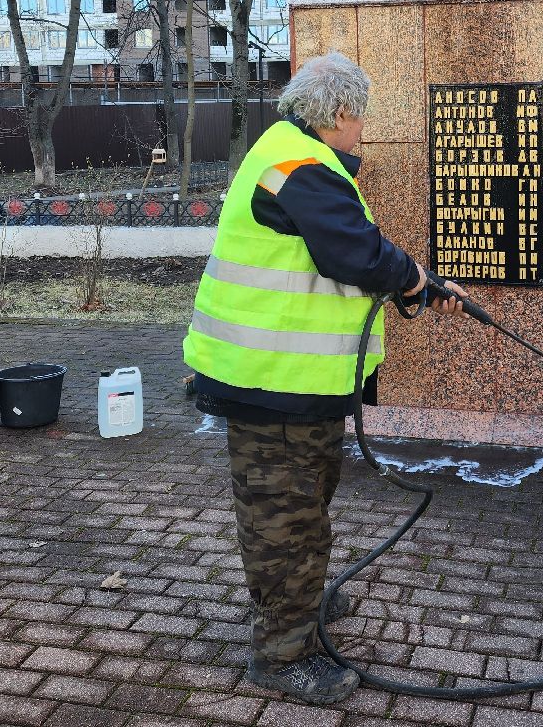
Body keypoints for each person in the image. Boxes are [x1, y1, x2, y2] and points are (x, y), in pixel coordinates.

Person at [183, 51, 468, 706]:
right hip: (270, 382)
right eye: (360, 116)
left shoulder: (290, 155)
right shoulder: (301, 168)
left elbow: (344, 260)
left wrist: (415, 287)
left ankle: (297, 609)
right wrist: (417, 281)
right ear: (339, 112)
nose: (362, 128)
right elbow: (356, 253)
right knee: (285, 521)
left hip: (288, 382)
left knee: (302, 512)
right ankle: (282, 654)